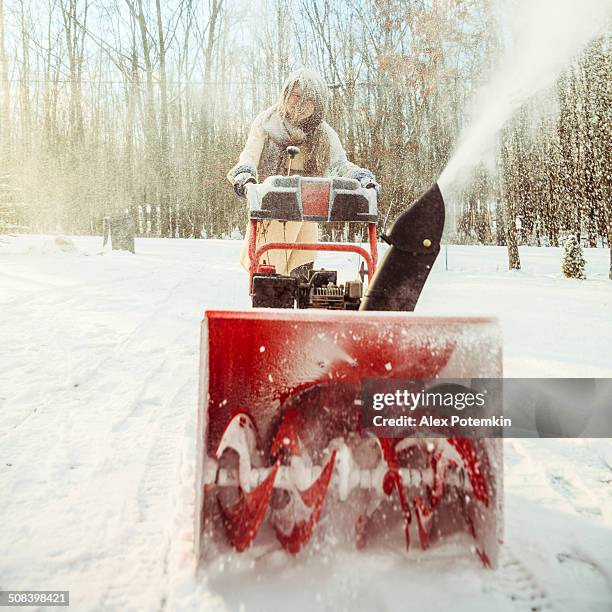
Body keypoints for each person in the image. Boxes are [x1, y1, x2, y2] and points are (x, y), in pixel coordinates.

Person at [227, 68, 378, 278]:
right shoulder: (266, 123)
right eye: (295, 96)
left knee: (303, 276)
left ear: (317, 105)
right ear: (286, 95)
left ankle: (305, 306)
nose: (299, 104)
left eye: (308, 100)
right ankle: (269, 305)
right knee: (268, 275)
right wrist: (245, 174)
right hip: (271, 207)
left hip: (308, 209)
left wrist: (360, 176)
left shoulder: (323, 133)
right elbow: (249, 155)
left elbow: (339, 165)